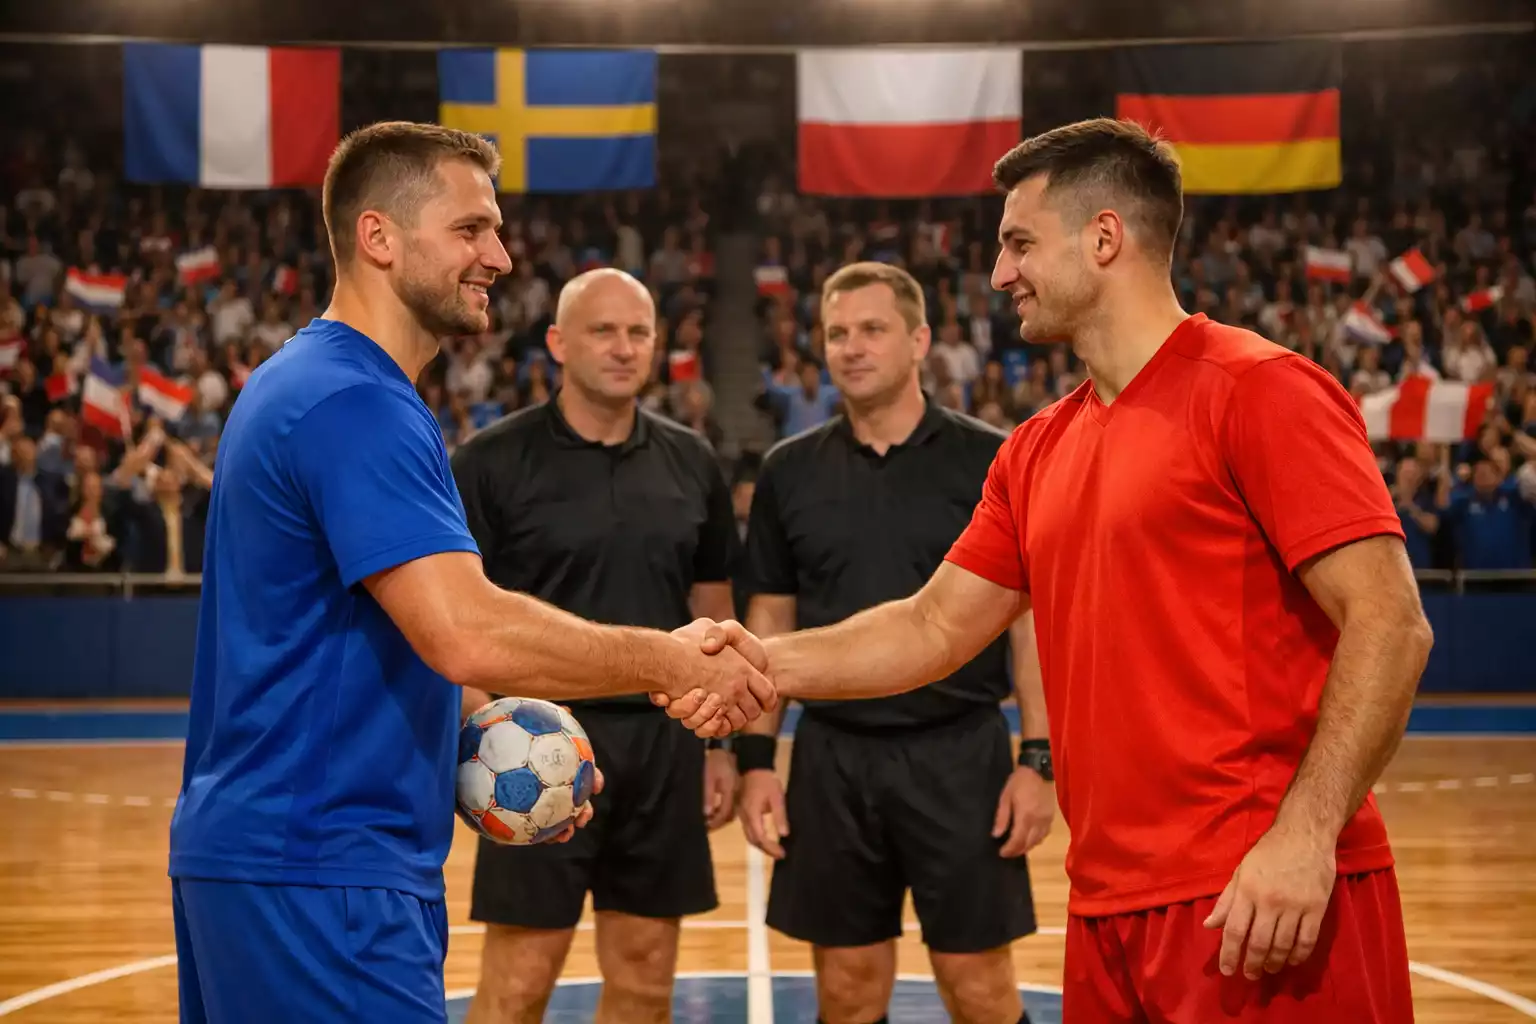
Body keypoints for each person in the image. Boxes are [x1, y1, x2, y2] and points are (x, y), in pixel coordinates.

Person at [676, 118, 1432, 1023]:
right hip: (1109, 905)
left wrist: (1305, 838)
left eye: (1019, 242)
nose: (1000, 274)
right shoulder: (1035, 450)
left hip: (1259, 896)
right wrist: (751, 663)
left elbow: (1389, 622)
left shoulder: (1261, 390)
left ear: (1104, 237)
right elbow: (931, 627)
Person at [167, 121, 773, 1024]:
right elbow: (464, 628)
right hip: (322, 867)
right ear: (379, 237)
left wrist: (489, 727)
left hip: (283, 859)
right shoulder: (356, 401)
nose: (498, 254)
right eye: (470, 228)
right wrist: (678, 663)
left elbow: (379, 634)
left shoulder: (314, 381)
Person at [734, 261, 1051, 1024]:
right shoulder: (788, 470)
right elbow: (769, 626)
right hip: (832, 758)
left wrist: (1039, 759)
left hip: (961, 755)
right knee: (845, 992)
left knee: (979, 987)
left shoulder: (992, 460)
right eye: (836, 334)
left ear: (919, 341)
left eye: (872, 329)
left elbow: (1029, 623)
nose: (851, 347)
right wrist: (754, 763)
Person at [451, 268, 743, 1024]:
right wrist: (481, 735)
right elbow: (453, 615)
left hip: (662, 749)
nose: (622, 348)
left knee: (646, 981)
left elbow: (713, 611)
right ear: (557, 343)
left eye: (638, 332)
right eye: (602, 331)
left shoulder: (693, 460)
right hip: (533, 749)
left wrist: (719, 750)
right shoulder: (490, 462)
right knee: (518, 983)